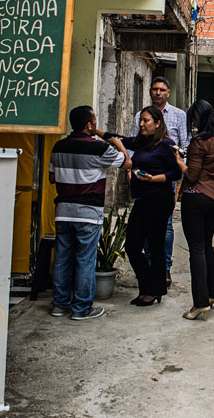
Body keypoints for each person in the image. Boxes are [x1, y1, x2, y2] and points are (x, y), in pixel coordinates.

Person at [49, 105, 131, 320]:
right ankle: (81, 308)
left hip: (63, 211)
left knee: (62, 259)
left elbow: (51, 177)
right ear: (89, 124)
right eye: (94, 120)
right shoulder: (99, 148)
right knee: (85, 260)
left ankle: (59, 305)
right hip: (87, 212)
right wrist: (120, 145)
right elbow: (127, 163)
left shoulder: (58, 147)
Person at [172, 100, 214, 321]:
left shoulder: (199, 142)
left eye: (194, 120)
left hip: (196, 197)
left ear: (199, 118)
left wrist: (179, 161)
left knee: (196, 249)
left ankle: (200, 303)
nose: (194, 124)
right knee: (207, 245)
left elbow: (192, 175)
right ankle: (213, 294)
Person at [131, 76, 187, 289]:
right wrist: (131, 169)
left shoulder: (178, 115)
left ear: (168, 92)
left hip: (165, 178)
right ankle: (148, 266)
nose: (158, 93)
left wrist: (181, 174)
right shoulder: (140, 115)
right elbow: (133, 142)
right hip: (143, 177)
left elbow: (185, 145)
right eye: (154, 89)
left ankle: (164, 268)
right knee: (143, 223)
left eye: (162, 89)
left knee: (166, 225)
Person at [125, 105, 182, 306]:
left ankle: (153, 290)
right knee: (132, 245)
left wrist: (153, 178)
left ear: (158, 123)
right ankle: (149, 286)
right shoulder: (140, 143)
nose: (141, 124)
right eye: (141, 120)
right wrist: (97, 132)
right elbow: (118, 139)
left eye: (146, 120)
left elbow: (176, 173)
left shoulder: (167, 145)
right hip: (141, 199)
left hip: (159, 199)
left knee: (156, 246)